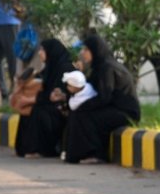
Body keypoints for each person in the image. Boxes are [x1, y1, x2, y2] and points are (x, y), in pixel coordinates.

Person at [61, 30, 141, 164]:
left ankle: (97, 154)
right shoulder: (99, 67)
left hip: (126, 113)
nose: (82, 53)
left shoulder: (107, 68)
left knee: (85, 115)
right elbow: (89, 90)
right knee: (78, 113)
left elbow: (104, 97)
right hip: (113, 108)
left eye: (86, 50)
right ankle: (76, 153)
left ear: (95, 50)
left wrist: (83, 106)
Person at [15, 38, 77, 158]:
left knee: (39, 112)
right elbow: (46, 93)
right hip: (49, 103)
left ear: (51, 51)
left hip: (63, 108)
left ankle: (40, 149)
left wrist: (31, 100)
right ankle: (25, 148)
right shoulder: (49, 67)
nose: (39, 53)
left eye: (42, 50)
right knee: (29, 110)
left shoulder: (65, 69)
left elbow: (56, 95)